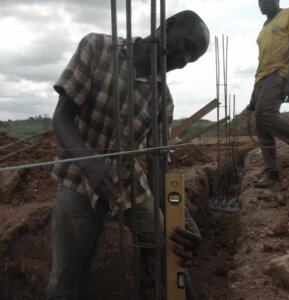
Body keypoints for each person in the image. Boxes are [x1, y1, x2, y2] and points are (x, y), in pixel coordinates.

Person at [47, 10, 210, 300]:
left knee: (170, 245)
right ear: (168, 25)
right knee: (64, 278)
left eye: (192, 59)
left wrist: (182, 218)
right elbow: (61, 118)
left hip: (127, 182)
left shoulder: (164, 98)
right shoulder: (97, 48)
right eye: (186, 46)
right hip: (77, 178)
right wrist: (90, 164)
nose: (184, 61)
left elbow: (158, 164)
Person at [247, 0, 289, 188]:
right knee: (260, 122)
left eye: (267, 0)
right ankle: (272, 172)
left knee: (265, 114)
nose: (263, 4)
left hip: (279, 74)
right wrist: (254, 95)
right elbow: (262, 61)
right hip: (261, 79)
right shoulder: (263, 28)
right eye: (259, 1)